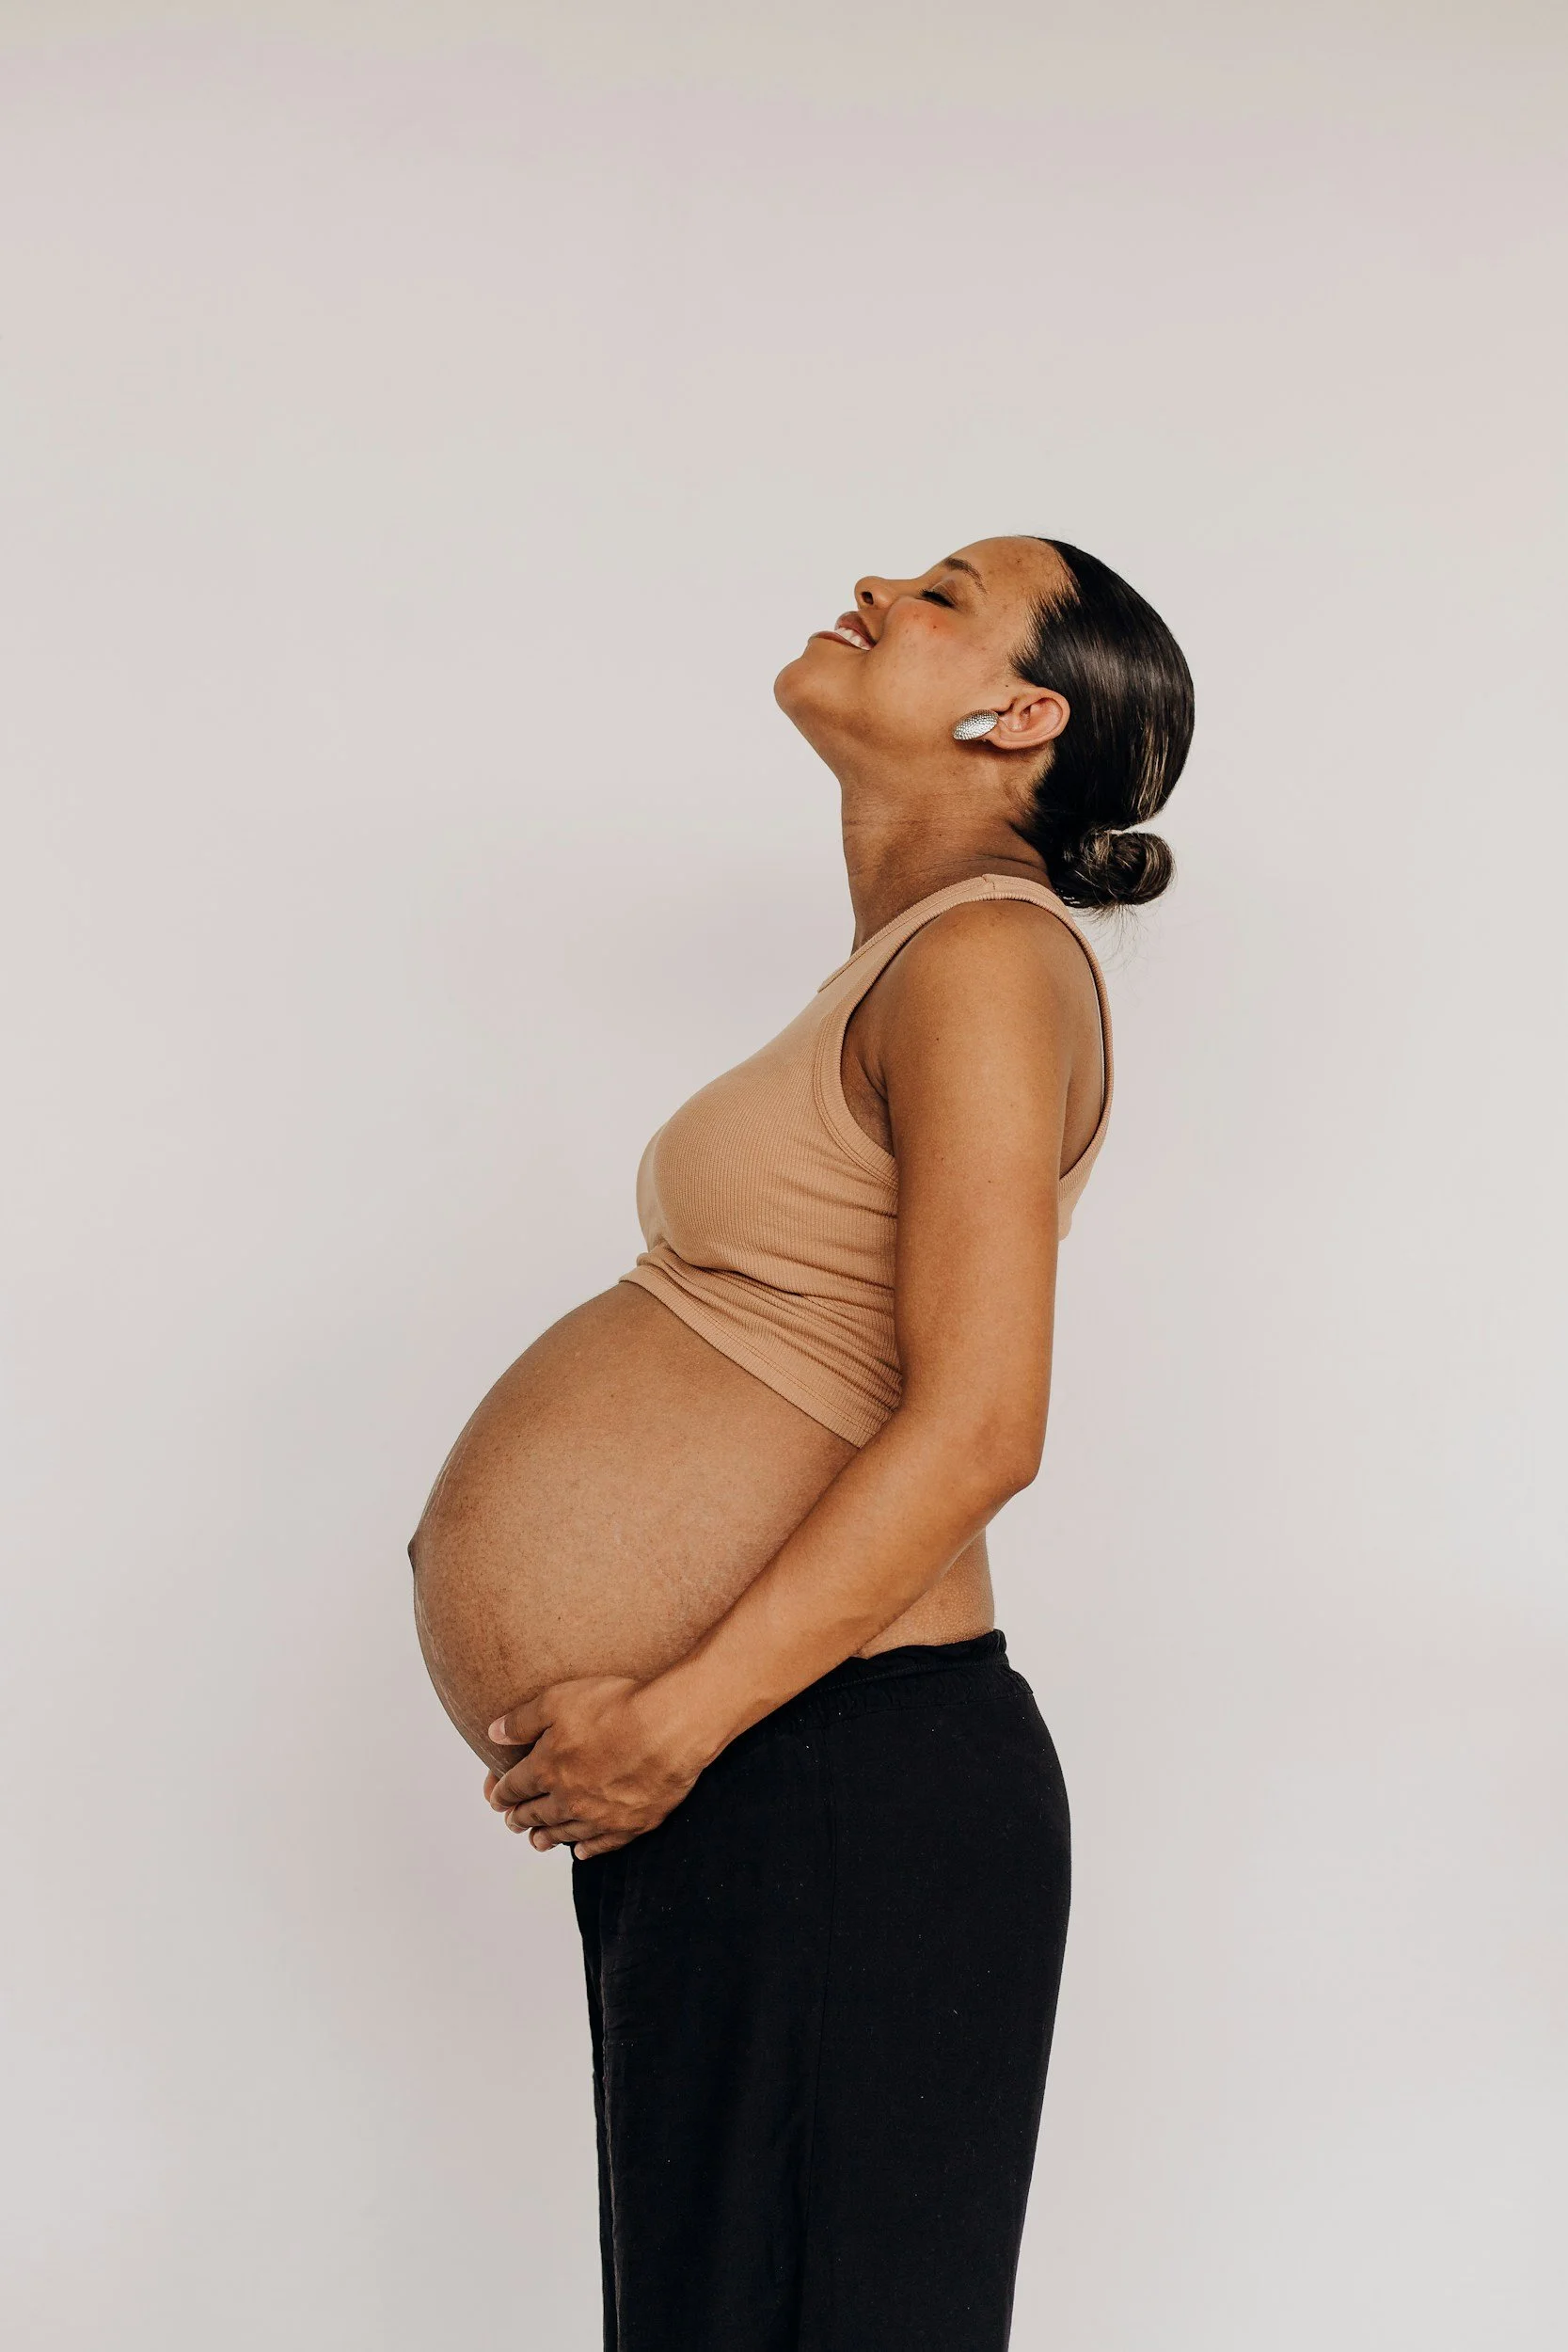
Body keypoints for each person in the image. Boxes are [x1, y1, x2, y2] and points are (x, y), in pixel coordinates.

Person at [408, 534, 1195, 2351]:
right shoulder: (914, 966)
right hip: (749, 1778)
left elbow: (986, 1422)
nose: (875, 584)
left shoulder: (984, 958)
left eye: (939, 592)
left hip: (823, 1768)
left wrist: (670, 1723)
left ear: (1019, 715)